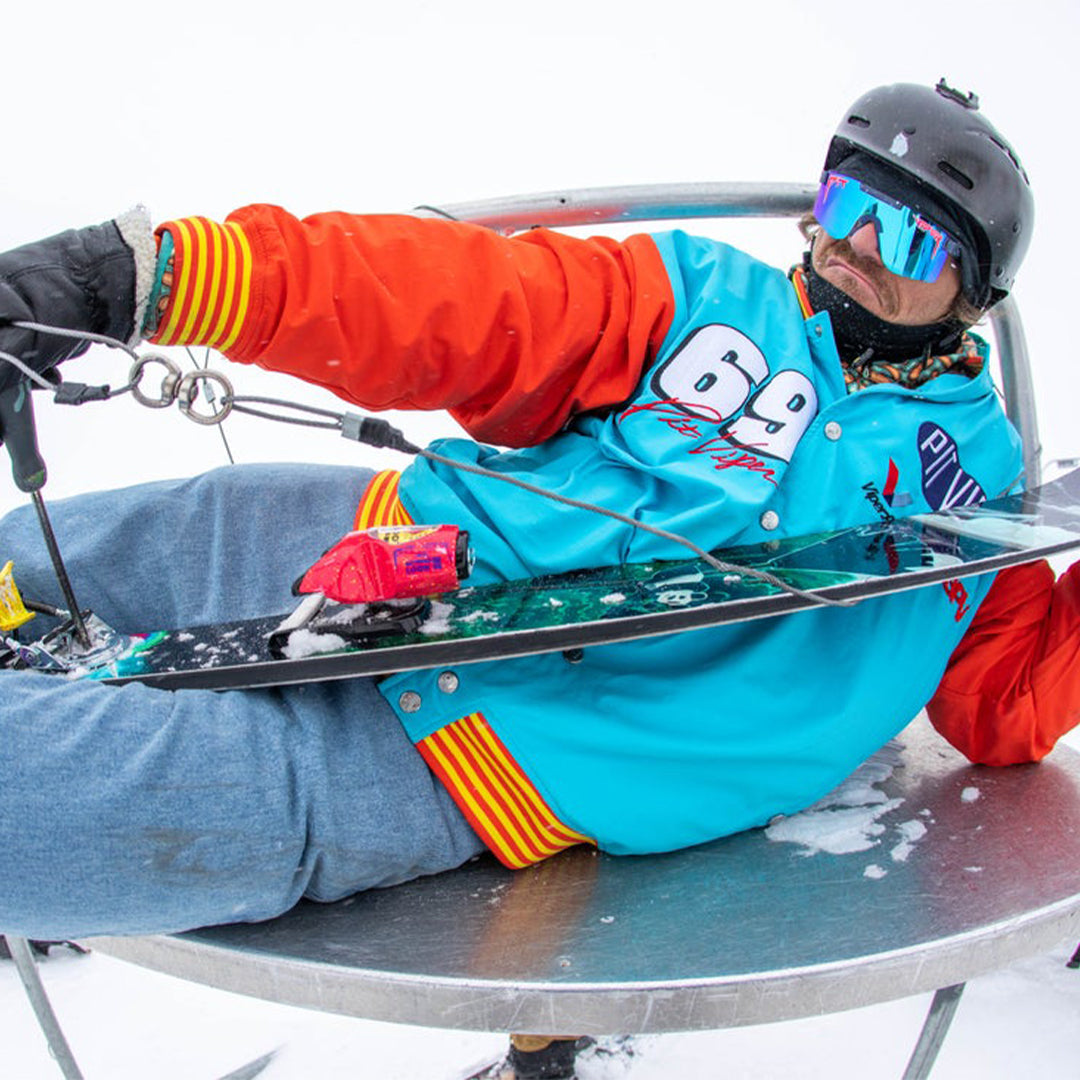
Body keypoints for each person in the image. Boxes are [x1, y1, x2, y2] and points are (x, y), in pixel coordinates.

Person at [1, 80, 1077, 940]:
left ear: (973, 295)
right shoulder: (703, 297)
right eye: (849, 210)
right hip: (395, 534)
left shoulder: (979, 485)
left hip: (484, 754)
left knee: (65, 803)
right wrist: (138, 281)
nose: (857, 253)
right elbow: (461, 301)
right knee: (117, 542)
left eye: (913, 242)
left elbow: (1004, 709)